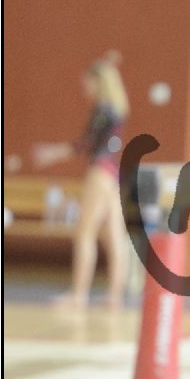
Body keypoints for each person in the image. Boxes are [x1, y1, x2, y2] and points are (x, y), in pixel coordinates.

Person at [33, 50, 129, 310]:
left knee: (85, 232)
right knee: (113, 235)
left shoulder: (103, 109)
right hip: (113, 172)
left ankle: (78, 294)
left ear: (99, 82)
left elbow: (85, 144)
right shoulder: (117, 108)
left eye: (87, 81)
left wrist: (52, 153)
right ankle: (115, 295)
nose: (85, 87)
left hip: (100, 171)